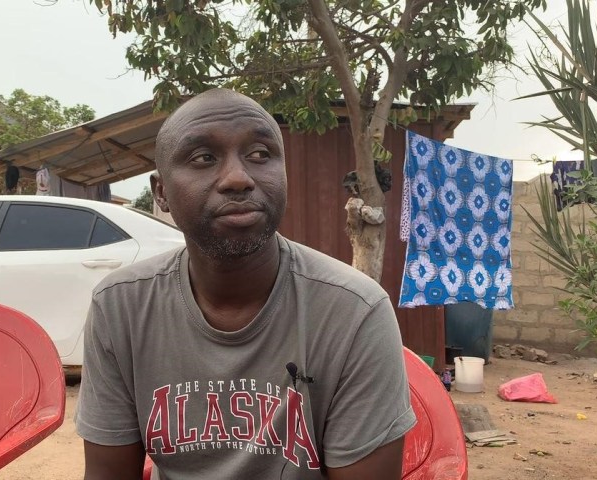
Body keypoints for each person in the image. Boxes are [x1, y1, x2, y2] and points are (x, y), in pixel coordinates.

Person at [75, 89, 416, 480]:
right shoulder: (120, 307)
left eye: (259, 155)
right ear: (161, 193)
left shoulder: (354, 312)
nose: (238, 178)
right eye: (203, 158)